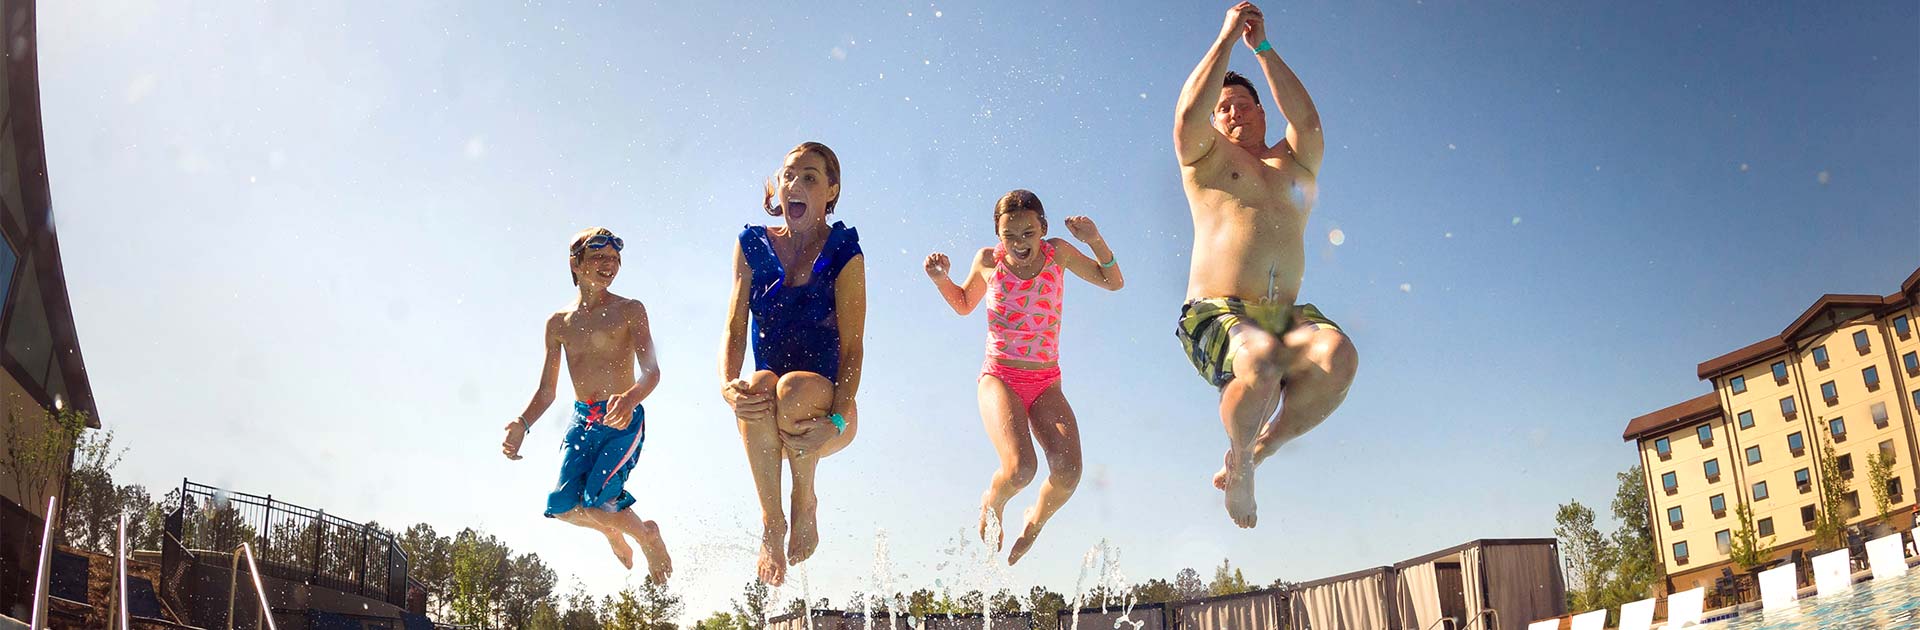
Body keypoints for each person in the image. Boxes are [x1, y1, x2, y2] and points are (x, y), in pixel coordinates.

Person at [1172, 2, 1358, 527]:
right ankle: (1244, 463)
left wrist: (1264, 49)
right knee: (1260, 359)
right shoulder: (1205, 161)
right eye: (1224, 107)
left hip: (1284, 314)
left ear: (1262, 110)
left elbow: (1309, 120)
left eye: (1243, 104)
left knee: (1339, 357)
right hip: (1217, 311)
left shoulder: (1294, 163)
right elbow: (1188, 117)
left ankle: (1256, 451)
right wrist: (1228, 37)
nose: (1234, 113)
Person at [923, 190, 1123, 565]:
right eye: (1010, 236)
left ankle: (1034, 521)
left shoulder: (1058, 253)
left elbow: (1113, 282)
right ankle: (993, 501)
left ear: (1042, 229)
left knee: (1069, 473)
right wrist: (941, 279)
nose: (1019, 243)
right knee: (1020, 470)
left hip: (1045, 381)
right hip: (999, 376)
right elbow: (965, 304)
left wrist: (1094, 240)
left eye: (1028, 233)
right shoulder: (988, 261)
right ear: (998, 235)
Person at [720, 142, 867, 586]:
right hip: (764, 414)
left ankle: (804, 500)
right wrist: (728, 385)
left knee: (792, 387)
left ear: (831, 191)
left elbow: (854, 348)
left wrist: (838, 418)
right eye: (788, 175)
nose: (794, 184)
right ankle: (772, 523)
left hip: (828, 409)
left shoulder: (844, 252)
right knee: (761, 382)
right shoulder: (752, 246)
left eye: (809, 177)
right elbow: (733, 325)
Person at [502, 227, 672, 583]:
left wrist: (630, 398)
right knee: (563, 508)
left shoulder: (630, 310)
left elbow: (652, 371)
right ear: (575, 265)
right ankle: (612, 530)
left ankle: (646, 537)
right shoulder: (558, 324)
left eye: (613, 259)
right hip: (582, 422)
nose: (608, 265)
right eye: (597, 258)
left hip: (622, 421)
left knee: (597, 500)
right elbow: (548, 390)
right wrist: (522, 422)